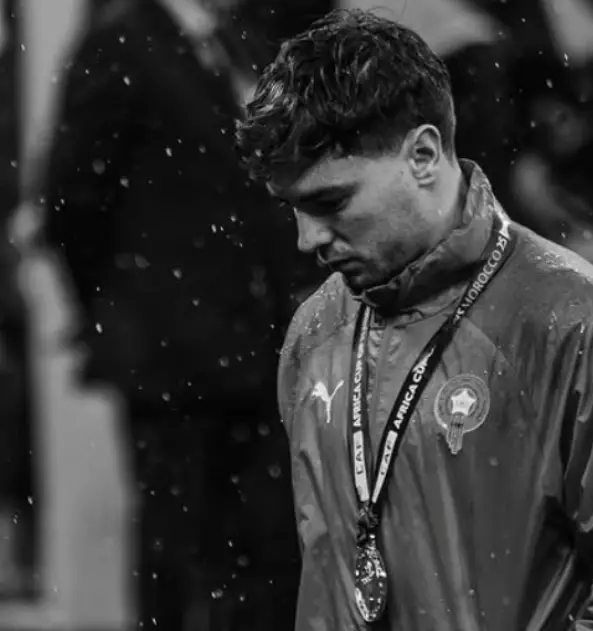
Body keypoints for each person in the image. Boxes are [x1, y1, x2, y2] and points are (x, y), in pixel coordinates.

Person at [236, 9, 593, 630]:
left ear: (423, 154)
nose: (308, 240)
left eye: (330, 202)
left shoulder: (577, 324)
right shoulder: (313, 334)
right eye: (293, 210)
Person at [42, 0, 323, 627]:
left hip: (255, 347)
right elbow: (70, 199)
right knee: (179, 548)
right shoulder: (122, 43)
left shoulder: (239, 42)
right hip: (171, 356)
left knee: (268, 548)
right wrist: (124, 308)